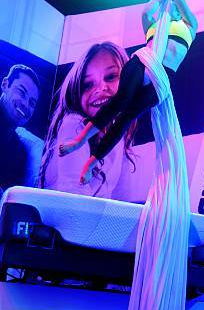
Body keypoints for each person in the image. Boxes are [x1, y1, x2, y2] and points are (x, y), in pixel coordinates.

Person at [58, 0, 197, 184]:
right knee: (119, 103)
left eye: (177, 8)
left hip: (161, 78)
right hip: (142, 61)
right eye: (171, 7)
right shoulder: (155, 25)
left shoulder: (189, 25)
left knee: (126, 118)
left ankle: (91, 162)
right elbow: (145, 11)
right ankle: (79, 141)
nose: (174, 9)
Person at [39, 42, 136, 198]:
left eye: (110, 76)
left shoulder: (120, 136)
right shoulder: (74, 124)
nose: (100, 88)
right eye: (88, 84)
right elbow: (73, 196)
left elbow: (123, 200)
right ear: (76, 92)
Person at [0, 64, 42, 193]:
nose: (25, 104)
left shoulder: (20, 152)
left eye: (32, 103)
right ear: (5, 85)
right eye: (21, 92)